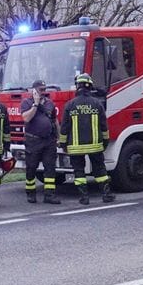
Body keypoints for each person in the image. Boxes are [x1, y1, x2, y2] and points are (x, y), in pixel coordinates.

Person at [61, 74, 113, 205]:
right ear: (90, 86)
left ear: (77, 86)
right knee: (100, 170)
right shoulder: (97, 104)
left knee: (79, 172)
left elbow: (64, 128)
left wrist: (63, 144)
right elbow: (104, 126)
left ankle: (84, 198)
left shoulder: (69, 105)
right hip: (95, 146)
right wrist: (105, 142)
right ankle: (106, 195)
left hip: (75, 147)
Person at [20, 80, 61, 204]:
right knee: (31, 167)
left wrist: (59, 137)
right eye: (41, 89)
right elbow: (26, 118)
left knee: (50, 168)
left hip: (49, 141)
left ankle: (49, 195)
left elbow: (55, 121)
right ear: (34, 90)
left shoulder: (49, 103)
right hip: (33, 140)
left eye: (44, 89)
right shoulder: (26, 103)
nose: (43, 92)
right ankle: (31, 193)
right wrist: (36, 104)